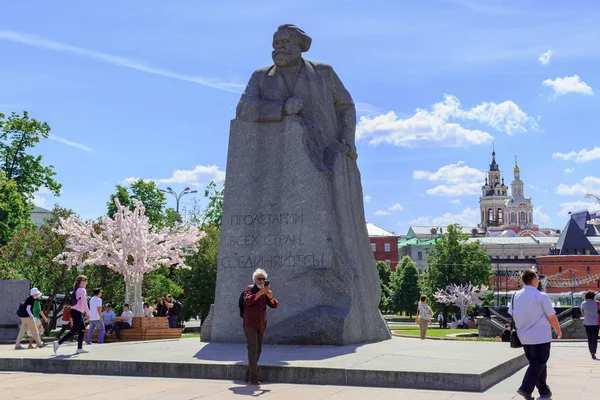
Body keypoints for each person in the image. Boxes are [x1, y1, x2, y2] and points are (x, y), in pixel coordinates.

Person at [509, 269, 562, 400]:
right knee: (538, 363)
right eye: (537, 278)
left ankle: (544, 391)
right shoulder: (541, 296)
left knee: (537, 364)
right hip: (540, 336)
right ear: (533, 279)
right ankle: (525, 389)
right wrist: (558, 330)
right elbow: (552, 316)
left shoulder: (515, 296)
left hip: (524, 337)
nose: (538, 281)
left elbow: (513, 315)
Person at [243, 268, 279, 385]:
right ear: (255, 280)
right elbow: (248, 301)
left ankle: (248, 374)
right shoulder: (250, 289)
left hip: (261, 324)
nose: (262, 281)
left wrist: (270, 296)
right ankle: (253, 378)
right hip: (250, 324)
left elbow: (274, 305)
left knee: (258, 350)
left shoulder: (265, 292)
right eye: (259, 279)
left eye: (264, 279)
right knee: (252, 349)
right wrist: (260, 292)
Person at [54, 275, 91, 355]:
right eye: (86, 281)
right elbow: (84, 303)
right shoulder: (82, 290)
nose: (87, 283)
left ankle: (79, 348)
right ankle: (58, 343)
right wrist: (88, 313)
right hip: (77, 312)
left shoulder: (77, 289)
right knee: (74, 330)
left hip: (75, 311)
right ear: (82, 281)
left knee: (82, 328)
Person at [580, 290, 599, 359]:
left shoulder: (583, 303)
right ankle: (593, 352)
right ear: (593, 296)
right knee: (594, 338)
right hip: (596, 323)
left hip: (587, 322)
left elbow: (582, 312)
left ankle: (591, 352)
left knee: (589, 338)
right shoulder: (597, 303)